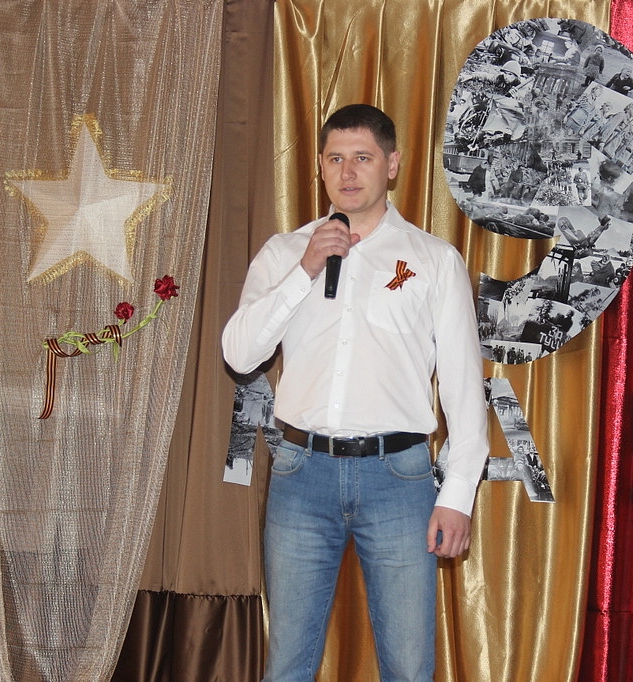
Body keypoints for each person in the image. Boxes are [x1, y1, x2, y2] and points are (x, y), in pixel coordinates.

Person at [222, 103, 489, 682]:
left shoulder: (433, 260)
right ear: (320, 166)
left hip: (399, 478)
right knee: (287, 665)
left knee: (408, 667)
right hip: (300, 474)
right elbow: (239, 355)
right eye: (335, 158)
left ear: (392, 165)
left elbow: (466, 390)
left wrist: (458, 495)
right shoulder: (285, 252)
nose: (347, 172)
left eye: (363, 158)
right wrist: (305, 270)